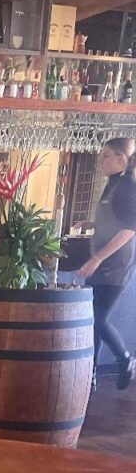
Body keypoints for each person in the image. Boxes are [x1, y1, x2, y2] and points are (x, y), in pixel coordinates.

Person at [75, 137, 136, 390]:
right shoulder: (113, 184)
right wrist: (91, 224)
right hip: (101, 264)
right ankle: (90, 375)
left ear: (122, 159)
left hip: (116, 266)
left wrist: (97, 258)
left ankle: (125, 360)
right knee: (93, 320)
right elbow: (114, 221)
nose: (102, 160)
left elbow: (129, 229)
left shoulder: (126, 187)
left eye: (107, 155)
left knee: (98, 318)